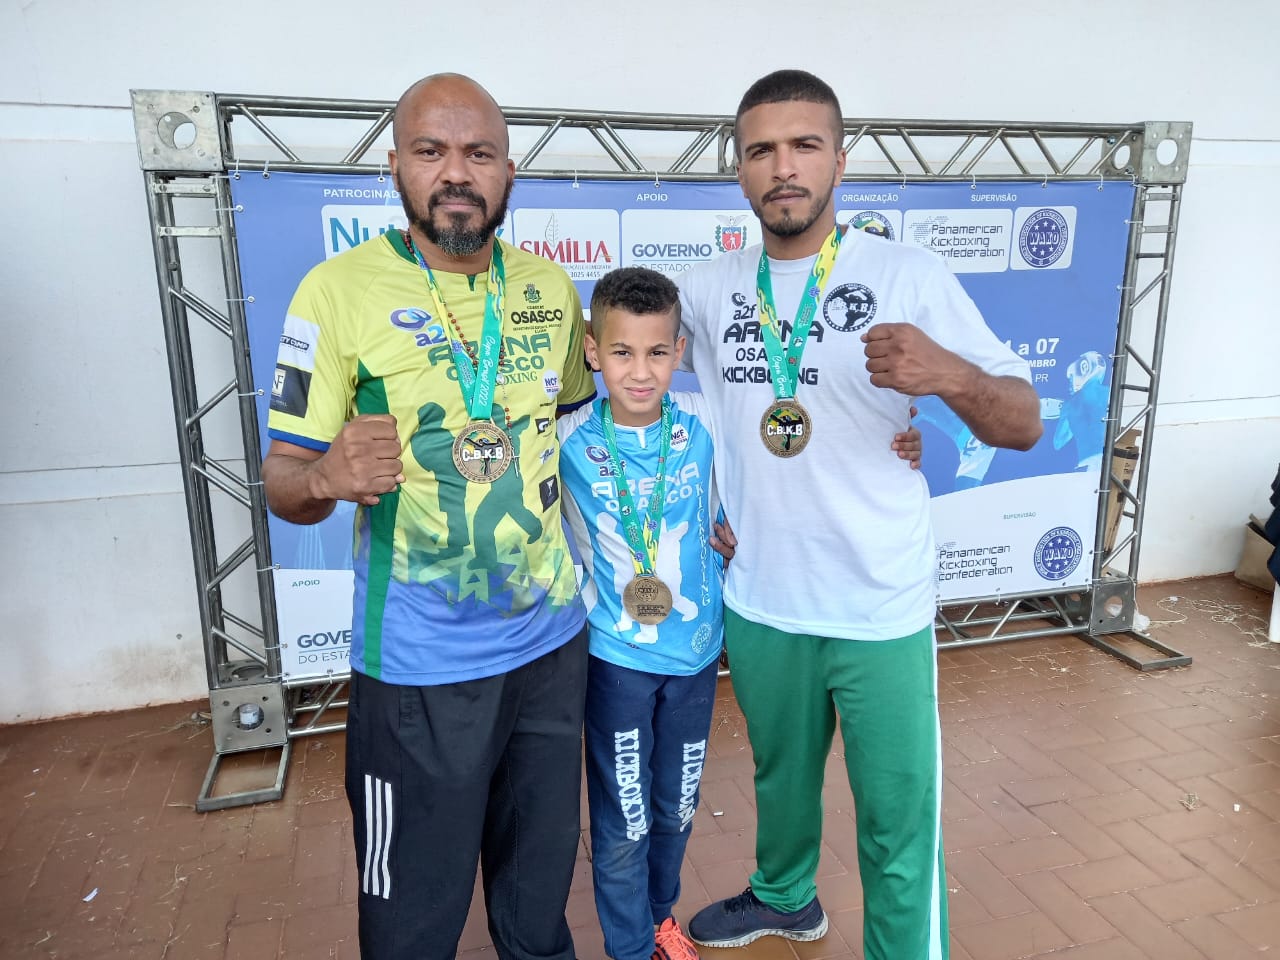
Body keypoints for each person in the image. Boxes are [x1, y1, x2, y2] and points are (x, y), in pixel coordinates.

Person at [677, 70, 1042, 960]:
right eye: (762, 149)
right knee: (781, 784)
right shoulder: (710, 285)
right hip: (763, 595)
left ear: (842, 159)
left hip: (878, 603)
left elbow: (1026, 422)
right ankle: (784, 897)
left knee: (896, 820)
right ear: (740, 170)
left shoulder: (907, 274)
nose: (784, 167)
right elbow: (629, 385)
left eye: (804, 145)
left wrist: (946, 375)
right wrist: (699, 507)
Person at [260, 73, 596, 960]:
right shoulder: (334, 293)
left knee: (537, 908)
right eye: (432, 151)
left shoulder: (550, 288)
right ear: (395, 167)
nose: (457, 173)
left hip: (552, 650)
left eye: (478, 154)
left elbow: (570, 426)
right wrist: (328, 472)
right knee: (412, 924)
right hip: (418, 671)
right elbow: (282, 484)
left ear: (509, 171)